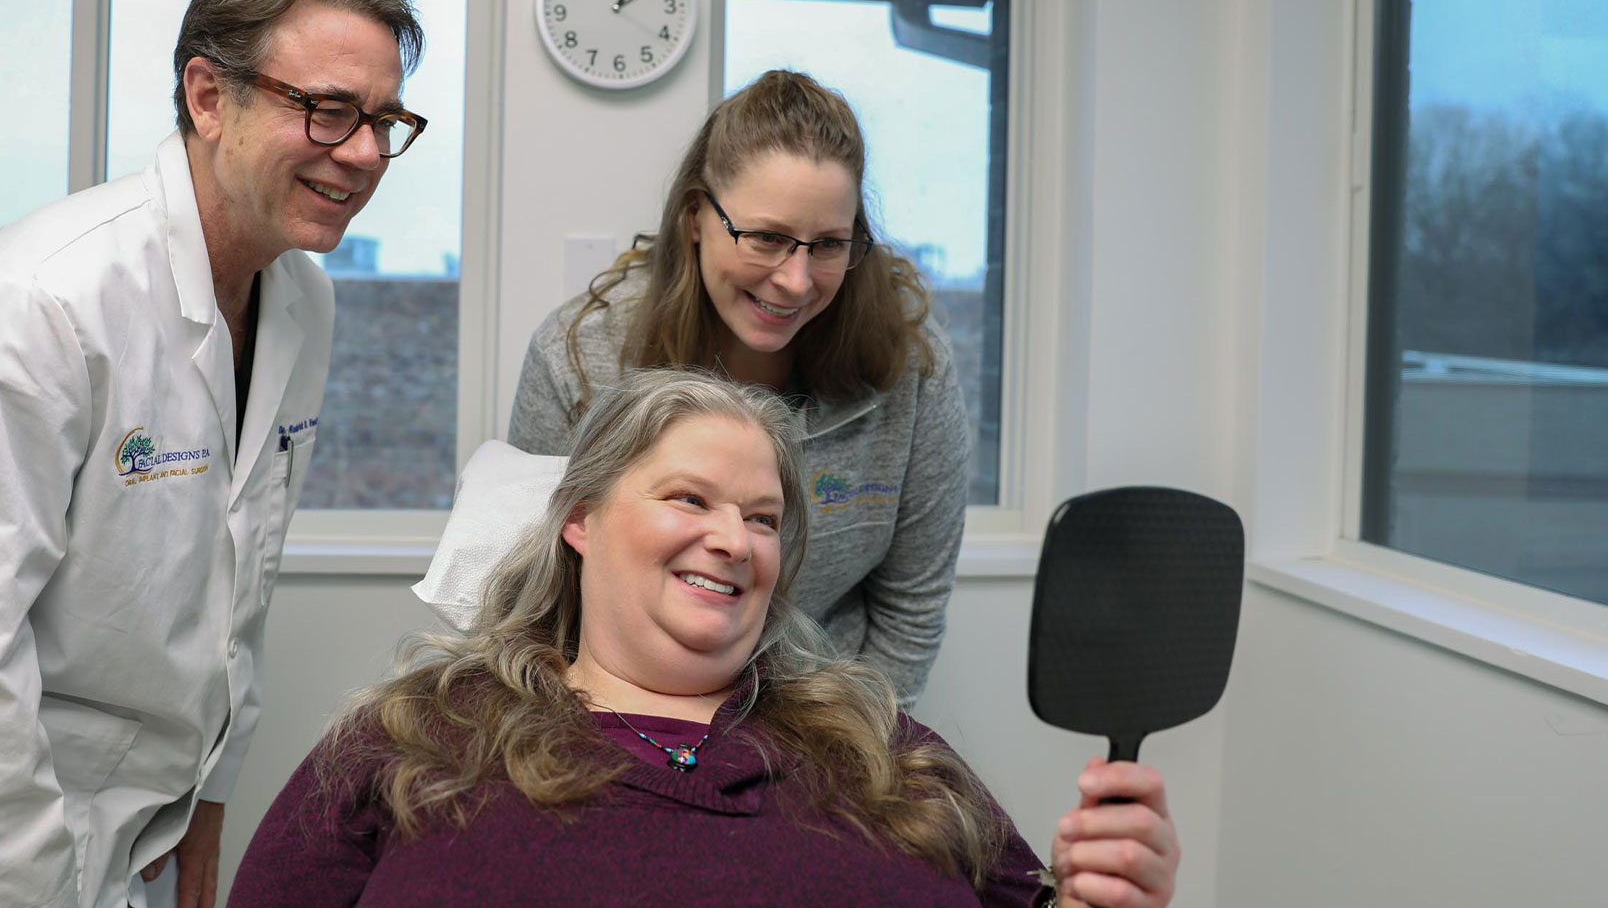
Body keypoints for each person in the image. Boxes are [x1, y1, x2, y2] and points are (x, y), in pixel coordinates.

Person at [0, 0, 427, 908]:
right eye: (326, 109)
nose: (360, 152)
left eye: (383, 120)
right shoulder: (31, 303)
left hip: (149, 811)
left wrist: (209, 799)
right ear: (206, 95)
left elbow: (241, 585)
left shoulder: (301, 303)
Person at [233, 369, 1180, 907]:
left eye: (763, 519)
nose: (733, 540)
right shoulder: (417, 740)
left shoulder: (884, 755)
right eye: (689, 499)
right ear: (581, 519)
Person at [509, 69, 968, 707]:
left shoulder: (911, 366)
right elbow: (533, 606)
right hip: (616, 724)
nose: (796, 280)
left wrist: (845, 759)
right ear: (696, 216)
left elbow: (909, 611)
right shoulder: (580, 359)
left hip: (823, 726)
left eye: (829, 245)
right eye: (768, 238)